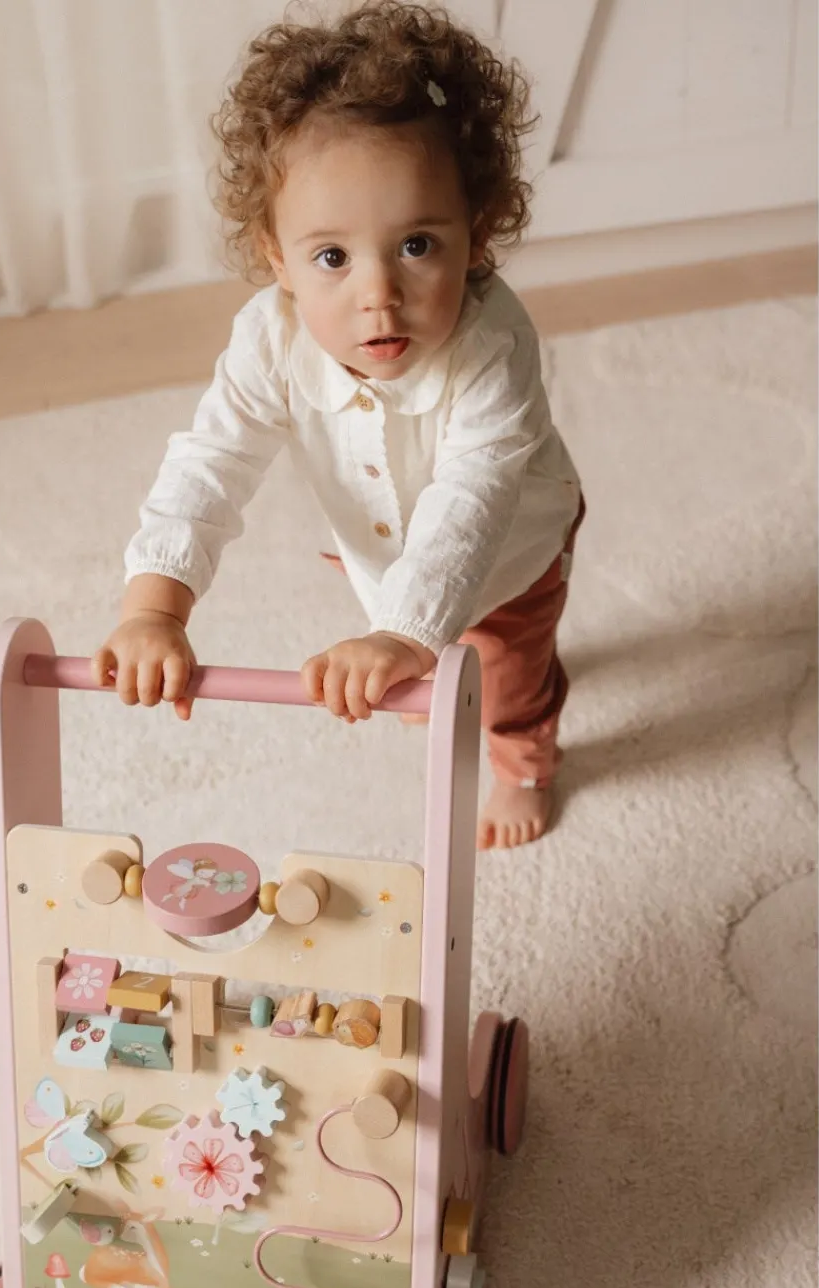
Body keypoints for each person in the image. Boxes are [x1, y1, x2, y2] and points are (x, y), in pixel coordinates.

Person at [93, 1, 584, 849]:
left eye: (418, 245)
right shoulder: (270, 337)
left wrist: (401, 635)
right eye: (331, 257)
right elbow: (212, 460)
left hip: (511, 553)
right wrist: (155, 606)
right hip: (377, 546)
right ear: (276, 258)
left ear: (477, 233)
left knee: (509, 678)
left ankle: (527, 764)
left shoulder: (492, 345)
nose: (378, 294)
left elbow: (472, 500)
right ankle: (418, 641)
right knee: (421, 645)